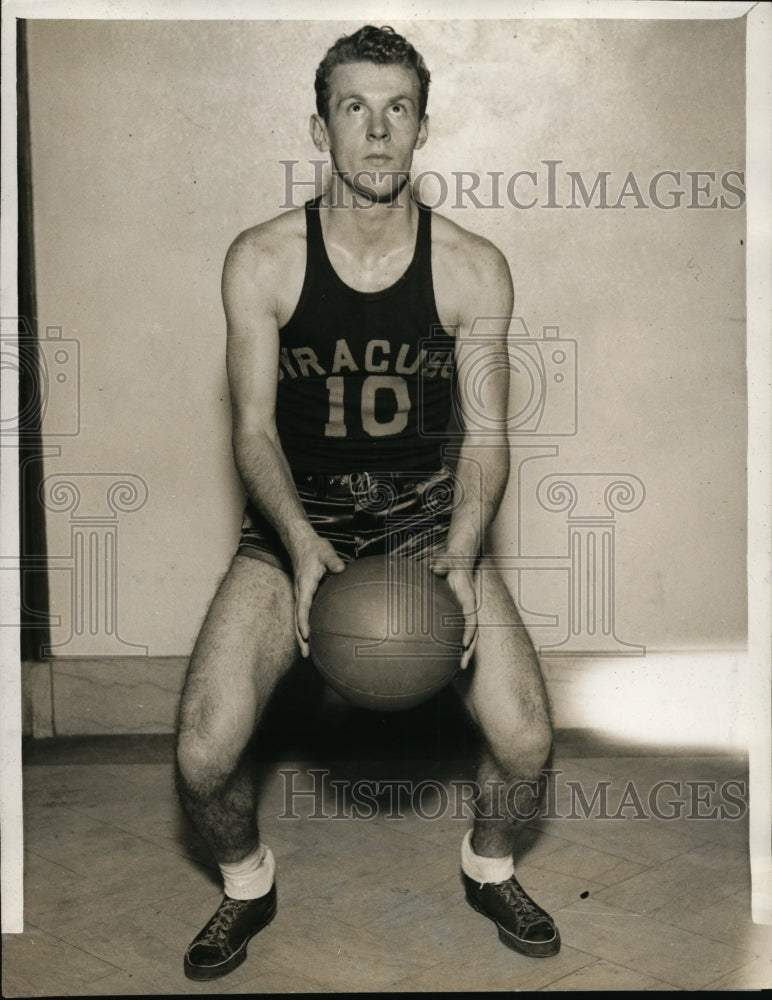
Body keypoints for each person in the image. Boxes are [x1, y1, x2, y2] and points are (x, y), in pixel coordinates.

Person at [176, 24, 559, 982]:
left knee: (526, 738)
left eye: (398, 110)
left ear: (422, 130)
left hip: (430, 526)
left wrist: (462, 560)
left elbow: (488, 437)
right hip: (292, 532)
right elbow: (254, 431)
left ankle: (489, 865)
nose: (377, 133)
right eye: (356, 108)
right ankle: (246, 885)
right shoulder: (261, 259)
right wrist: (301, 546)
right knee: (203, 752)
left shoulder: (474, 265)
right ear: (321, 127)